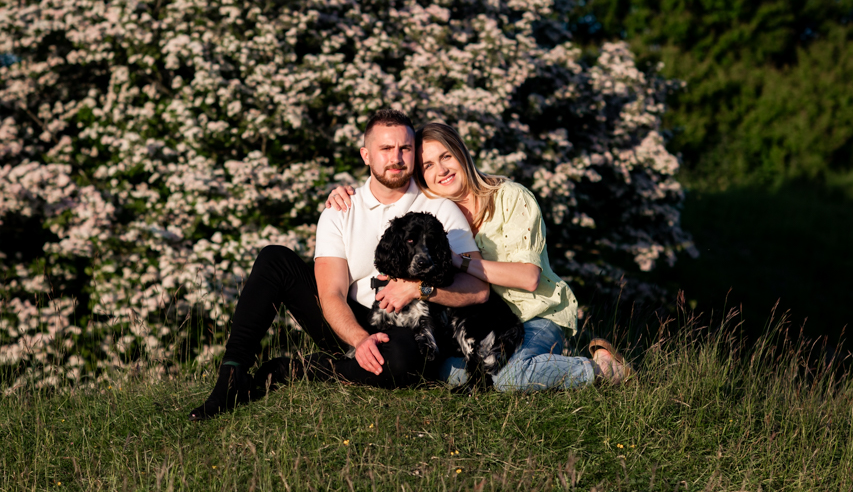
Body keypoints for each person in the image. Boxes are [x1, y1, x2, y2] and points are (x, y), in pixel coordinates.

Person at [188, 110, 488, 420]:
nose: (396, 158)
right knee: (274, 258)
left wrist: (418, 289)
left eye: (405, 148)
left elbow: (478, 290)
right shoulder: (340, 209)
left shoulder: (440, 208)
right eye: (386, 149)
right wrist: (359, 340)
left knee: (405, 360)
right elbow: (330, 292)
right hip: (348, 322)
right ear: (366, 155)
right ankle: (231, 377)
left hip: (406, 330)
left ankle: (291, 370)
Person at [325, 121, 630, 391]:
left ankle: (601, 369)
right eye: (428, 165)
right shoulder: (436, 209)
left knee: (505, 378)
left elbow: (529, 277)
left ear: (462, 154)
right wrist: (346, 191)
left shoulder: (510, 196)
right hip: (480, 325)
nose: (440, 170)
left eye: (446, 157)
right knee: (436, 373)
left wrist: (458, 262)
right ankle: (546, 365)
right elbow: (385, 189)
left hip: (533, 316)